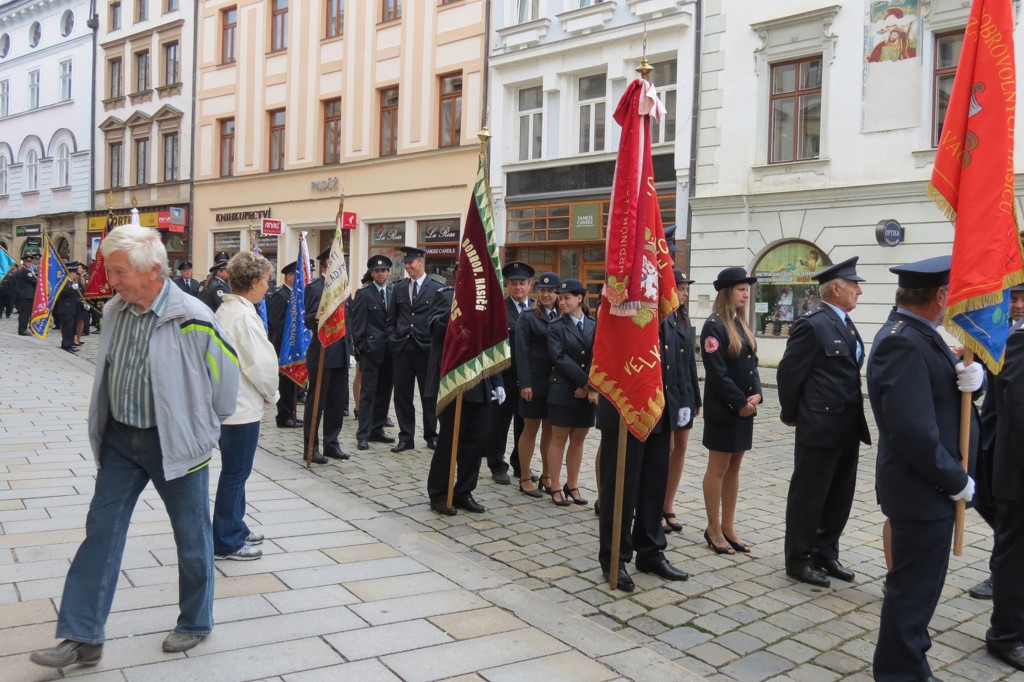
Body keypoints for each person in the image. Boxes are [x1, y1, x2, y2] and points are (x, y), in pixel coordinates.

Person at [30, 225, 240, 669]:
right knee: (101, 533)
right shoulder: (115, 310)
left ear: (152, 272)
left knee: (191, 537)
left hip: (176, 446)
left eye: (119, 271)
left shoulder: (194, 316)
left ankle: (196, 621)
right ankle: (82, 636)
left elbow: (225, 387)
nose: (112, 279)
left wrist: (195, 427)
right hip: (121, 442)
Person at [868, 255, 980, 682]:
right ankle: (899, 673)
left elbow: (938, 390)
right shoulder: (903, 340)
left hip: (926, 489)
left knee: (919, 593)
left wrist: (973, 377)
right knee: (911, 594)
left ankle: (911, 659)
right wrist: (955, 480)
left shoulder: (918, 333)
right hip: (922, 490)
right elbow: (912, 429)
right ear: (938, 296)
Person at [777, 256, 871, 587]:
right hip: (819, 425)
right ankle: (799, 559)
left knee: (839, 495)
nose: (859, 291)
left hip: (847, 425)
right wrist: (792, 415)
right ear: (835, 288)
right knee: (809, 495)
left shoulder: (845, 323)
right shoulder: (812, 324)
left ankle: (825, 552)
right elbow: (789, 375)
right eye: (854, 285)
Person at [213, 252, 279, 561]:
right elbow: (261, 364)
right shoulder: (243, 317)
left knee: (236, 471)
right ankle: (226, 539)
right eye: (266, 281)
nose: (268, 287)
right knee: (236, 473)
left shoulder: (228, 311)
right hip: (240, 407)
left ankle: (235, 526)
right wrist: (272, 393)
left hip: (231, 404)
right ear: (253, 283)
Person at [425, 281, 505, 515]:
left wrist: (497, 381)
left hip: (481, 383)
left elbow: (493, 343)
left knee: (475, 442)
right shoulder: (446, 295)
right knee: (449, 441)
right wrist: (459, 313)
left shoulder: (487, 301)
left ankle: (464, 491)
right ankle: (439, 493)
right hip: (451, 381)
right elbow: (434, 328)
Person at [596, 395, 689, 592]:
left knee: (654, 483)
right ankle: (614, 558)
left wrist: (683, 398)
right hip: (625, 401)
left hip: (661, 402)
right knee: (621, 484)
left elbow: (676, 362)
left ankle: (650, 551)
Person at [700, 267, 761, 555]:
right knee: (719, 467)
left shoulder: (741, 324)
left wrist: (757, 393)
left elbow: (752, 363)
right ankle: (713, 527)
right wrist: (740, 404)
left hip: (744, 409)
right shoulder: (714, 326)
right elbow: (718, 374)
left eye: (747, 289)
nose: (746, 294)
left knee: (734, 468)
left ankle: (728, 525)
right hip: (725, 410)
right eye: (741, 289)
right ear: (727, 292)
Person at [969, 282, 1024, 600]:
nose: (1017, 305)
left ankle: (1000, 571)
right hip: (992, 435)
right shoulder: (997, 332)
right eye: (1012, 299)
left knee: (1008, 520)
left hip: (1008, 440)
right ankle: (1003, 568)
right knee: (991, 506)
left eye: (1021, 299)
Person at [987, 314, 1024, 672]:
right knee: (1015, 556)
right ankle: (1006, 636)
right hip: (1017, 476)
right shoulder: (1019, 341)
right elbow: (1019, 415)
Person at [387, 245, 444, 452]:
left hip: (426, 349)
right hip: (402, 347)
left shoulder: (436, 288)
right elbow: (392, 318)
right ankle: (406, 436)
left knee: (429, 394)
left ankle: (431, 434)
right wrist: (393, 337)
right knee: (402, 394)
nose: (408, 266)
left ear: (421, 261)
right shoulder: (400, 287)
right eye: (406, 263)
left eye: (411, 262)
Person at [546, 278, 597, 507]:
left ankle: (572, 484)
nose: (562, 302)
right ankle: (555, 486)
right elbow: (559, 358)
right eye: (561, 298)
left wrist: (589, 387)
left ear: (580, 299)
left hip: (586, 393)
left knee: (579, 439)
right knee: (559, 438)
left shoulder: (594, 325)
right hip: (563, 390)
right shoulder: (556, 326)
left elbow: (600, 356)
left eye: (567, 298)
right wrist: (586, 383)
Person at [660, 269, 701, 533]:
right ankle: (653, 505)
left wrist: (696, 397)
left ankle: (668, 504)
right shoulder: (661, 318)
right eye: (680, 288)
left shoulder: (683, 319)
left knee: (681, 449)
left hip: (684, 392)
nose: (684, 293)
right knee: (666, 449)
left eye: (686, 289)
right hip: (665, 393)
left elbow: (690, 364)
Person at [487, 261, 535, 485]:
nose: (518, 288)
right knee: (498, 425)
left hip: (530, 378)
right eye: (514, 284)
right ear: (507, 286)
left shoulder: (538, 309)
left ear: (530, 285)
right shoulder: (498, 309)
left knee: (524, 425)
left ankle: (520, 464)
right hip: (504, 376)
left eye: (522, 283)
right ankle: (497, 465)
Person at [302, 246, 350, 464]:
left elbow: (347, 321)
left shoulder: (342, 288)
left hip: (340, 351)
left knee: (338, 401)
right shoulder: (315, 288)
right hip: (322, 350)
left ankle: (332, 443)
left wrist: (351, 349)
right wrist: (322, 314)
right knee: (317, 401)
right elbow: (308, 319)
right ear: (326, 265)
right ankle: (311, 446)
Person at [515, 272, 560, 499]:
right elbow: (521, 353)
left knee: (550, 431)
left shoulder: (562, 315)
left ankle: (547, 476)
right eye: (542, 291)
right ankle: (524, 477)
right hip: (533, 383)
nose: (546, 294)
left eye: (551, 290)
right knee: (530, 430)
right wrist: (525, 383)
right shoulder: (528, 316)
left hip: (555, 385)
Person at [350, 255, 396, 450]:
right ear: (371, 273)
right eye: (377, 271)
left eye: (383, 270)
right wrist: (361, 347)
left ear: (388, 272)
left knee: (384, 392)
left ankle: (378, 429)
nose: (380, 274)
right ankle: (363, 433)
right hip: (371, 351)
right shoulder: (364, 294)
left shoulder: (394, 293)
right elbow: (357, 324)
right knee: (368, 393)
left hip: (390, 351)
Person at [267, 260, 302, 429]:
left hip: (293, 345)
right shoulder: (281, 295)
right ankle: (283, 416)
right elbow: (276, 321)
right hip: (283, 346)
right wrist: (289, 338)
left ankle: (292, 413)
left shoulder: (295, 295)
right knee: (285, 383)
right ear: (288, 277)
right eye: (296, 276)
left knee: (293, 382)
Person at [54, 262, 85, 353]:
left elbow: (74, 298)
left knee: (71, 328)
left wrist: (82, 303)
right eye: (75, 273)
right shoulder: (64, 282)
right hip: (65, 309)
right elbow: (62, 294)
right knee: (67, 329)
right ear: (71, 273)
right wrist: (72, 288)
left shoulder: (71, 282)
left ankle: (69, 344)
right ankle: (66, 345)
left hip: (72, 309)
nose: (76, 275)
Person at [15, 252, 38, 335]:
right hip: (26, 295)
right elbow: (35, 281)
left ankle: (22, 329)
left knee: (25, 313)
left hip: (25, 295)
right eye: (27, 262)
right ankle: (22, 330)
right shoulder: (26, 272)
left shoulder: (26, 271)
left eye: (30, 262)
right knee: (24, 313)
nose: (29, 263)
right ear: (24, 262)